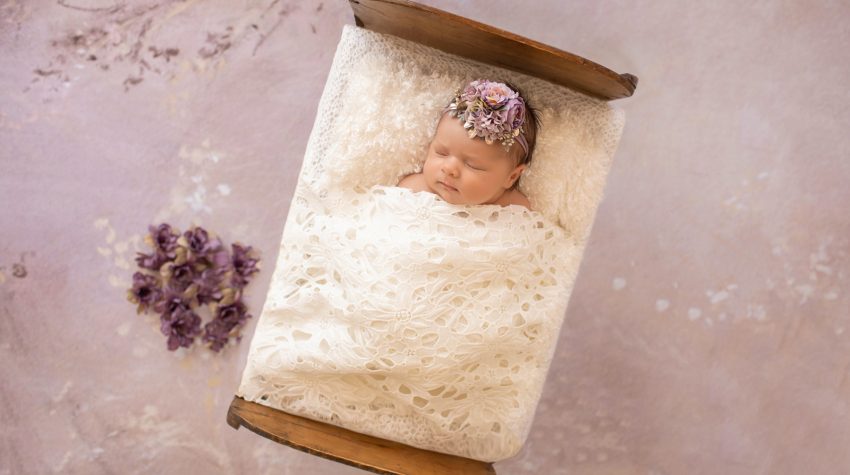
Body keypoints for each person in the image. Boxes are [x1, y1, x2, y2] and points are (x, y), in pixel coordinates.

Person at [398, 79, 541, 210]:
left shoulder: (516, 211)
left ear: (511, 177)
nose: (449, 168)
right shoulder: (412, 191)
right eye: (441, 152)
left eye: (472, 165)